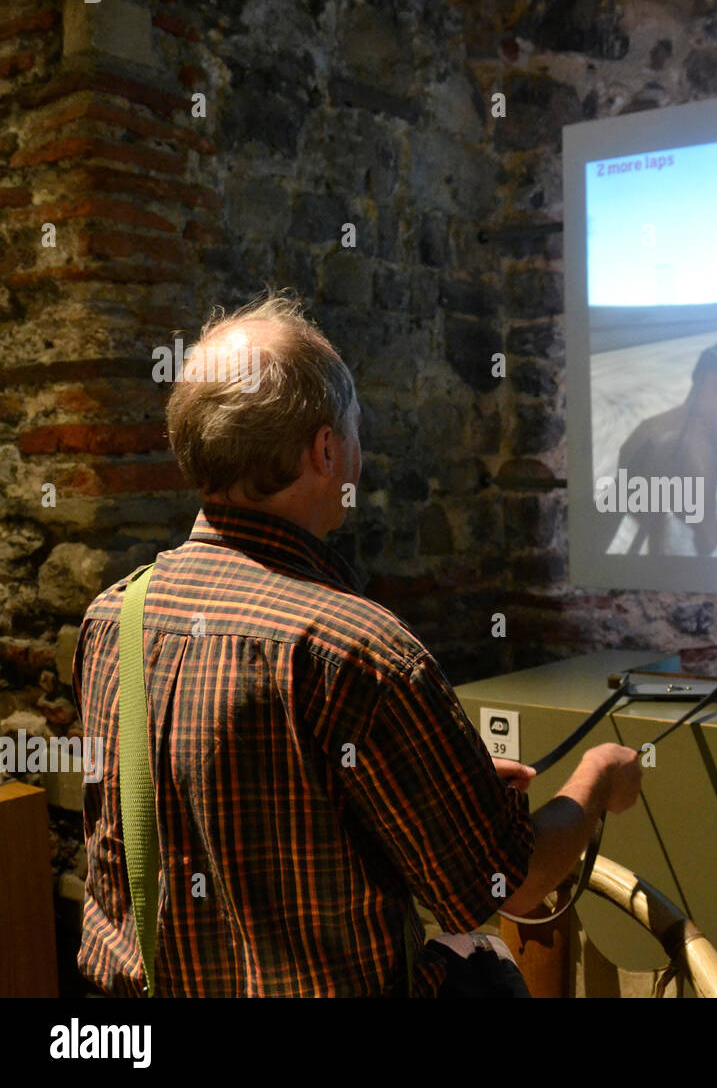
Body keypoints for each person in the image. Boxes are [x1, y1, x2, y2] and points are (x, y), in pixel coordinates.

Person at [73, 291, 642, 996]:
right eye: (355, 431)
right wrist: (595, 784)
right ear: (324, 449)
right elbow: (511, 887)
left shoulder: (111, 620)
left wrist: (434, 787)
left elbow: (217, 808)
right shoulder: (360, 649)